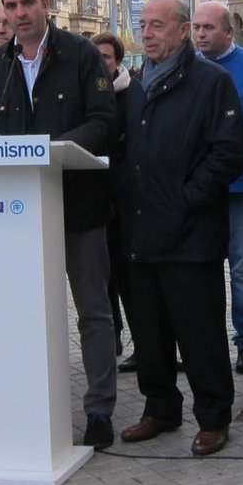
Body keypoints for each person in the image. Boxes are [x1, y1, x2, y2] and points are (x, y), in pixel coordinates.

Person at [0, 0, 120, 450]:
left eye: (28, 3)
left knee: (93, 311)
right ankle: (25, 400)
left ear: (46, 3)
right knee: (21, 310)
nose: (19, 13)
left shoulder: (82, 55)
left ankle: (99, 408)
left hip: (79, 209)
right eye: (11, 5)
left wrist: (47, 151)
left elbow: (105, 123)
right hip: (18, 217)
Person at [114, 0, 243, 457]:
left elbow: (228, 154)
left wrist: (187, 200)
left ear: (183, 30)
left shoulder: (211, 82)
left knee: (200, 333)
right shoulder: (135, 85)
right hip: (142, 233)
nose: (146, 34)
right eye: (142, 25)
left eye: (157, 26)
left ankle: (213, 418)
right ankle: (160, 409)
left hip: (191, 235)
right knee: (148, 331)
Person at [192, 1, 243, 375]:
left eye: (208, 28)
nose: (201, 34)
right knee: (199, 270)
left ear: (228, 32)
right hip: (199, 190)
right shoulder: (184, 69)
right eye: (197, 27)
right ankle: (202, 344)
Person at [93, 31, 136, 373]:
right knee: (103, 276)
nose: (101, 62)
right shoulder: (86, 97)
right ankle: (113, 336)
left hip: (127, 202)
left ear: (117, 61)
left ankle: (140, 339)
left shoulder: (133, 94)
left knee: (128, 276)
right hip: (95, 200)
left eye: (106, 56)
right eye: (96, 56)